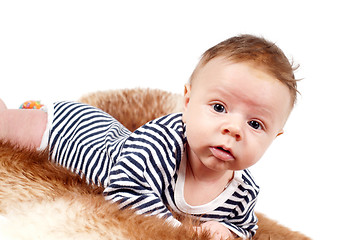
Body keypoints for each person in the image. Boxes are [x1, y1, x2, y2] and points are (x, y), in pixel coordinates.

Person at [0, 34, 298, 240]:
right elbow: (125, 192)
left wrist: (227, 230)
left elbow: (246, 226)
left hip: (91, 133)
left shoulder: (242, 192)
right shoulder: (162, 144)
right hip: (72, 132)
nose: (234, 129)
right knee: (7, 126)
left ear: (275, 136)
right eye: (219, 107)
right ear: (187, 103)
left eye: (256, 124)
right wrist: (178, 230)